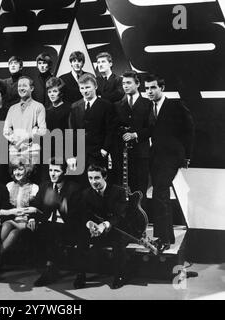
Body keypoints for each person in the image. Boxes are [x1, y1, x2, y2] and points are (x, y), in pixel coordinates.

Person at [144, 74, 195, 252]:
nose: (149, 91)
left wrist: (186, 156)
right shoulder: (148, 108)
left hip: (172, 157)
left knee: (160, 193)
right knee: (161, 195)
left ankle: (163, 239)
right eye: (147, 88)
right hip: (155, 157)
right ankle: (167, 237)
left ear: (162, 88)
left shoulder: (175, 106)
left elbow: (189, 130)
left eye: (153, 88)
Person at [75, 165, 129, 289]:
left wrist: (104, 225)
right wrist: (90, 225)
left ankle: (119, 275)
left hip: (115, 229)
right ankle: (80, 275)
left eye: (97, 178)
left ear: (105, 177)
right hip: (96, 231)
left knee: (118, 241)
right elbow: (84, 215)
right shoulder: (85, 194)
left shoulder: (118, 191)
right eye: (90, 178)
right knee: (81, 238)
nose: (93, 182)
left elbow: (119, 216)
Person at [33, 158, 82, 287]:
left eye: (56, 170)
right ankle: (50, 268)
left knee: (51, 230)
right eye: (50, 170)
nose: (52, 174)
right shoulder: (45, 186)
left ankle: (50, 270)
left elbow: (77, 216)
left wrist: (61, 204)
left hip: (68, 226)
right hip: (47, 224)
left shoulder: (74, 188)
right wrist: (32, 218)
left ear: (64, 172)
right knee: (41, 229)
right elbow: (36, 205)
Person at [69, 73, 117, 186]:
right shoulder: (75, 106)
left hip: (98, 153)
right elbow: (71, 131)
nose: (85, 91)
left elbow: (111, 130)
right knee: (80, 185)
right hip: (79, 154)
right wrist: (71, 155)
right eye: (82, 88)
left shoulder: (106, 105)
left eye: (88, 87)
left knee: (98, 184)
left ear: (95, 86)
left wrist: (105, 149)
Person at [113, 71, 152, 201]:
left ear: (138, 84)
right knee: (122, 192)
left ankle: (142, 220)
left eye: (129, 83)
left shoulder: (148, 104)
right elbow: (114, 127)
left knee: (140, 191)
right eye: (123, 83)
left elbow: (152, 128)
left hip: (141, 154)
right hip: (123, 156)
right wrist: (122, 133)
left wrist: (135, 134)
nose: (125, 86)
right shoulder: (117, 105)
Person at [0, 157, 39, 268]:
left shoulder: (34, 188)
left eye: (20, 169)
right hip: (12, 220)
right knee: (6, 225)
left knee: (14, 233)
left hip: (26, 223)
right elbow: (2, 209)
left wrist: (31, 216)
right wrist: (12, 212)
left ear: (27, 170)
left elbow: (36, 209)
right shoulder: (9, 186)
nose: (17, 172)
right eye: (15, 169)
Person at [3, 76, 46, 170]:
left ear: (32, 88)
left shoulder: (39, 107)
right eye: (19, 86)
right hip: (15, 150)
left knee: (30, 178)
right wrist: (15, 140)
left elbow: (42, 130)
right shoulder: (12, 108)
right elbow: (6, 130)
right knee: (16, 177)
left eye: (24, 85)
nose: (21, 88)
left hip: (31, 150)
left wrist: (25, 138)